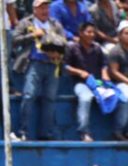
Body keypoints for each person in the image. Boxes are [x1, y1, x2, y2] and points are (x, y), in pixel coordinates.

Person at [13, 0, 67, 142]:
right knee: (29, 95)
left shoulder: (55, 24)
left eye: (46, 7)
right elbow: (15, 39)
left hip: (52, 64)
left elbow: (65, 41)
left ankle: (46, 133)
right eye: (41, 7)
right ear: (34, 9)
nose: (45, 10)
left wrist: (58, 53)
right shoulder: (26, 23)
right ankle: (23, 131)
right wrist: (32, 35)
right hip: (33, 63)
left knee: (49, 99)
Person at [64, 21, 106, 142]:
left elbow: (103, 65)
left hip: (96, 83)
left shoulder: (97, 48)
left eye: (93, 32)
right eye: (88, 32)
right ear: (81, 33)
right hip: (80, 83)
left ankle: (121, 131)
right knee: (86, 98)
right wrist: (79, 72)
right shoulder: (72, 47)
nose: (91, 35)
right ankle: (84, 131)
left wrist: (104, 75)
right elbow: (65, 66)